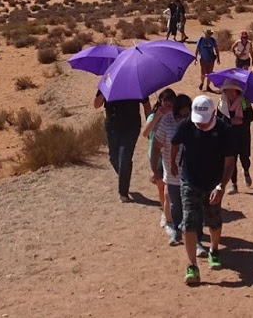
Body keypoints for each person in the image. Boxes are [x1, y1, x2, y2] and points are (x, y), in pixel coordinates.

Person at [169, 95, 238, 285]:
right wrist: (173, 163)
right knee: (189, 221)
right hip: (190, 180)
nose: (199, 125)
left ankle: (214, 250)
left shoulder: (225, 131)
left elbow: (230, 162)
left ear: (213, 114)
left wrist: (221, 186)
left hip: (214, 183)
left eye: (204, 121)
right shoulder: (187, 125)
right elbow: (175, 142)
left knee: (213, 220)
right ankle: (192, 265)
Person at [147, 91, 189, 246]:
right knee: (171, 199)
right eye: (180, 115)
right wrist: (154, 168)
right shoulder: (166, 121)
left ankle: (191, 233)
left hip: (190, 170)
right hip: (170, 169)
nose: (182, 118)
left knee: (188, 201)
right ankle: (174, 228)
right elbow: (155, 145)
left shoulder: (195, 121)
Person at [94, 88, 149, 202]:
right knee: (114, 158)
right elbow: (96, 104)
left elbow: (146, 105)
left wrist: (151, 125)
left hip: (131, 127)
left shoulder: (135, 84)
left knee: (124, 158)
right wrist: (105, 92)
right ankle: (124, 175)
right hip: (112, 127)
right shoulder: (108, 83)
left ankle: (123, 192)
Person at [218, 79, 253, 191]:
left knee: (244, 158)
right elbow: (218, 119)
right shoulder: (221, 102)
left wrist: (240, 120)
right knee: (231, 160)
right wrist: (229, 121)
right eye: (228, 91)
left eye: (233, 90)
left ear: (237, 91)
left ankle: (246, 171)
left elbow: (251, 117)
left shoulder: (244, 101)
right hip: (228, 135)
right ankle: (234, 185)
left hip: (242, 134)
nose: (230, 93)